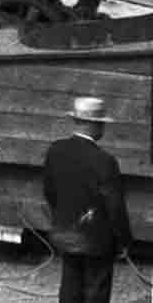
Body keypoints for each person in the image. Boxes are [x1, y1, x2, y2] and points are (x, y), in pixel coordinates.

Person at [43, 96, 132, 303]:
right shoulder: (105, 161)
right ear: (95, 124)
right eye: (102, 124)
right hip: (97, 241)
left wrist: (64, 219)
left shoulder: (56, 151)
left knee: (70, 286)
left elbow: (50, 192)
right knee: (96, 291)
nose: (103, 129)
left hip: (65, 233)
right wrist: (125, 241)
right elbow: (115, 207)